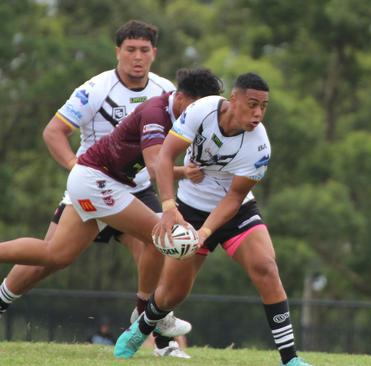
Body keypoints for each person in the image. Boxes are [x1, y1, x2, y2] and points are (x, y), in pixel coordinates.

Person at [0, 20, 196, 356]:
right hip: (96, 183)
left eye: (144, 50)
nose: (137, 57)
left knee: (154, 247)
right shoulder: (95, 88)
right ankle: (146, 320)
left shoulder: (166, 91)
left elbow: (171, 146)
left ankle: (158, 339)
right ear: (117, 51)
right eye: (130, 50)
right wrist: (74, 166)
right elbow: (53, 132)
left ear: (154, 54)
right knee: (52, 259)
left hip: (135, 186)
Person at [113, 73, 311, 366]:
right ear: (233, 100)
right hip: (189, 209)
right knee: (172, 293)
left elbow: (234, 197)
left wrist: (204, 232)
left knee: (266, 268)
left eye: (264, 107)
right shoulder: (201, 109)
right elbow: (166, 157)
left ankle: (290, 358)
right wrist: (169, 207)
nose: (257, 113)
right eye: (252, 104)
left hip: (235, 211)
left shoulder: (259, 147)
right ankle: (141, 328)